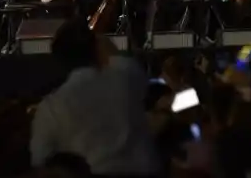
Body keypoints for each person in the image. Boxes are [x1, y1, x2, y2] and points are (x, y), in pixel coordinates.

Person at [30, 17, 160, 176]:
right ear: (96, 50)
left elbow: (40, 160)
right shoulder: (127, 76)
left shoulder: (51, 108)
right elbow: (113, 54)